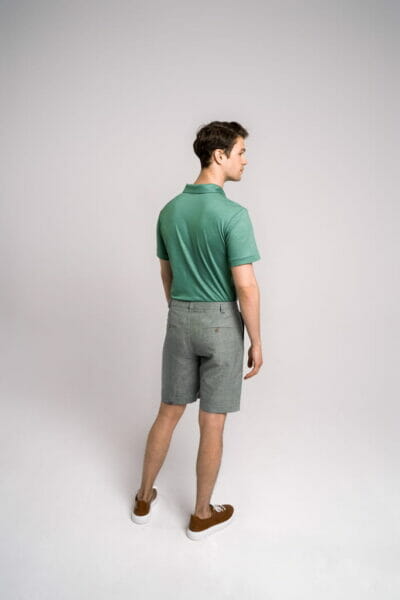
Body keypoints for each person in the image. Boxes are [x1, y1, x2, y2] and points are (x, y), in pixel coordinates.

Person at [132, 121, 263, 539]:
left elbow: (166, 273)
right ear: (219, 155)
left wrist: (180, 311)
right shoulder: (233, 215)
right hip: (221, 322)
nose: (245, 160)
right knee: (212, 423)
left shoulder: (169, 211)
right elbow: (245, 286)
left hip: (180, 318)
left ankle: (143, 498)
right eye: (241, 152)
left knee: (168, 412)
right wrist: (257, 340)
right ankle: (201, 514)